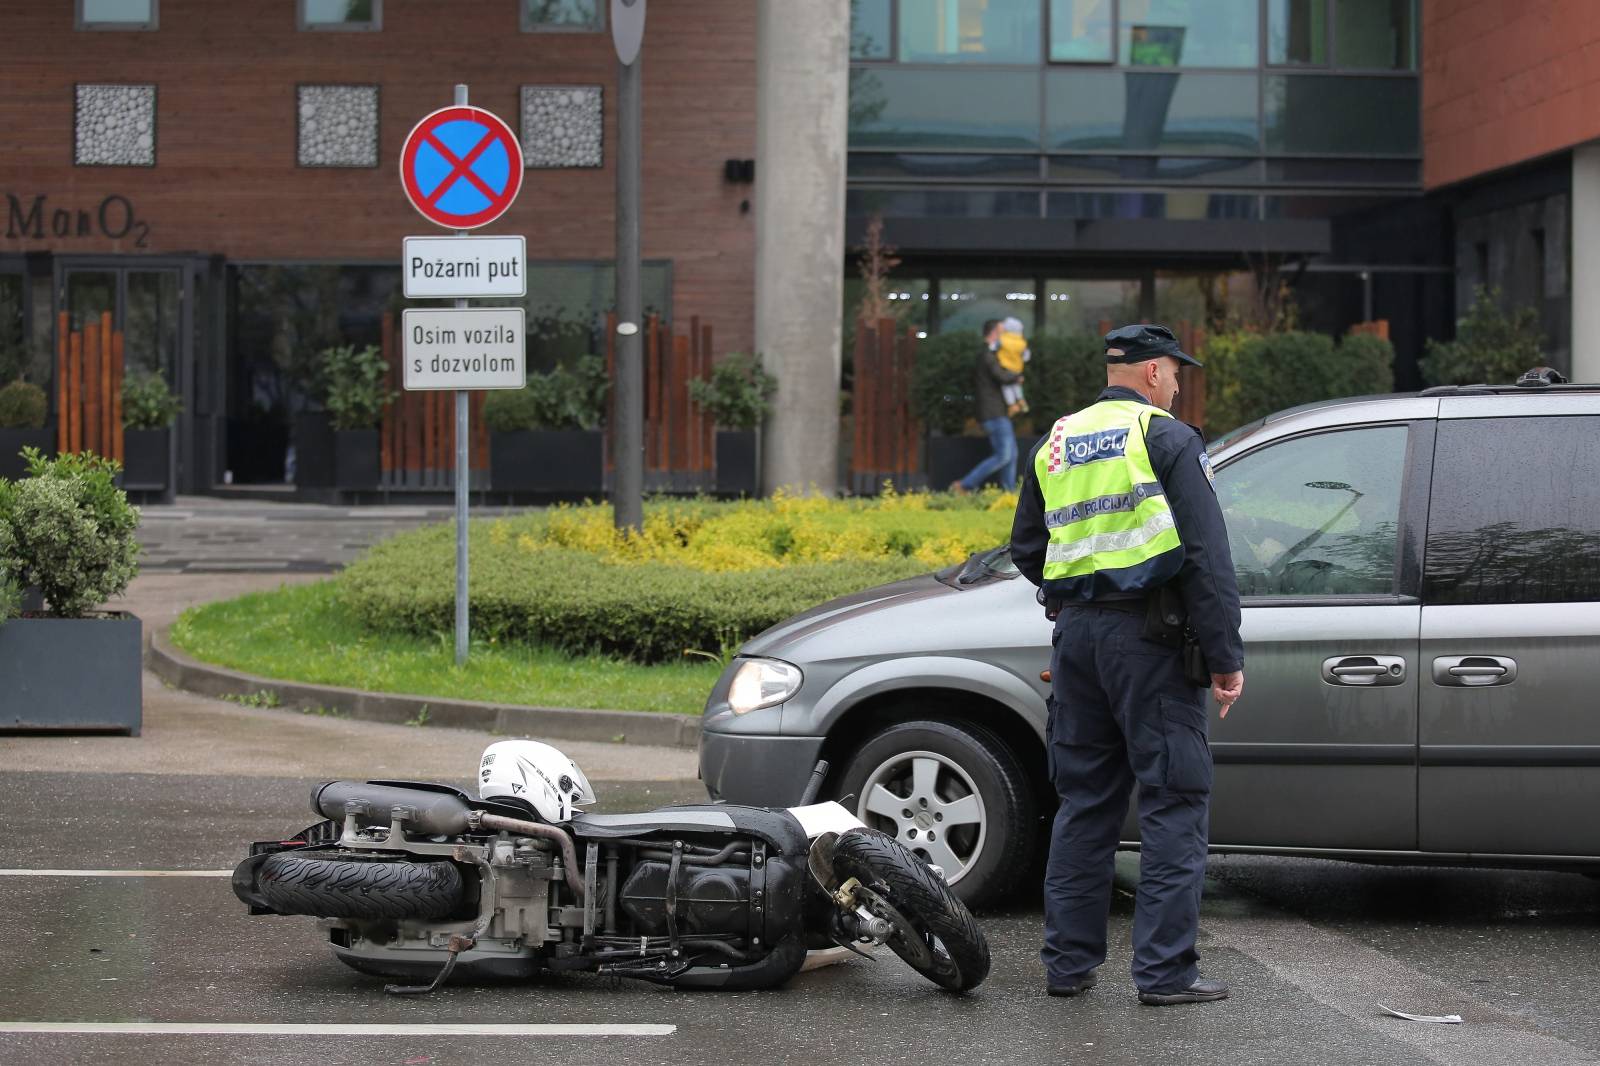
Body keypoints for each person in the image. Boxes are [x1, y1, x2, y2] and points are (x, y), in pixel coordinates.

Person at [1010, 323, 1245, 1007]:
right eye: (1175, 373)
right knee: (1174, 800)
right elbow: (1204, 557)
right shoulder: (1168, 438)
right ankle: (1166, 974)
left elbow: (1028, 546)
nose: (1177, 384)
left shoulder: (1055, 443)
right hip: (1151, 642)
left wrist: (1075, 591)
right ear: (1150, 373)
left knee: (1085, 802)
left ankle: (1067, 967)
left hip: (1077, 640)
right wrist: (1226, 657)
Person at [950, 318, 1022, 494]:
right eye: (1002, 332)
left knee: (1011, 455)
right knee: (1004, 455)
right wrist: (1016, 376)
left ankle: (1009, 493)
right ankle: (964, 485)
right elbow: (1001, 376)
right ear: (994, 333)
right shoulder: (987, 355)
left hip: (995, 413)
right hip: (993, 413)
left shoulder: (988, 355)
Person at [997, 315, 1031, 415]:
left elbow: (993, 347)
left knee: (1007, 387)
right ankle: (1021, 400)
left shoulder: (1002, 339)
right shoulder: (1022, 342)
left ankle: (1012, 405)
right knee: (1016, 385)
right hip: (1017, 369)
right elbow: (1026, 356)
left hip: (1005, 368)